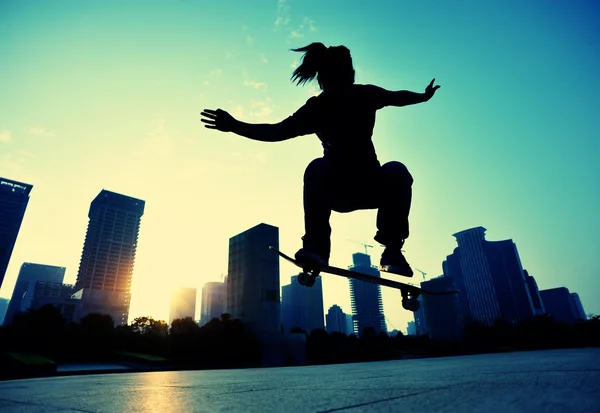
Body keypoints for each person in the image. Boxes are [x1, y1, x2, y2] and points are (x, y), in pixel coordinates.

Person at [201, 42, 440, 277]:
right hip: (339, 189)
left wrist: (422, 96)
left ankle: (392, 252)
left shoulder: (363, 95)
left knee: (396, 170)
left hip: (368, 185)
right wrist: (234, 126)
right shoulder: (327, 105)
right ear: (331, 79)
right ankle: (318, 247)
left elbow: (396, 97)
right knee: (319, 168)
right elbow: (276, 132)